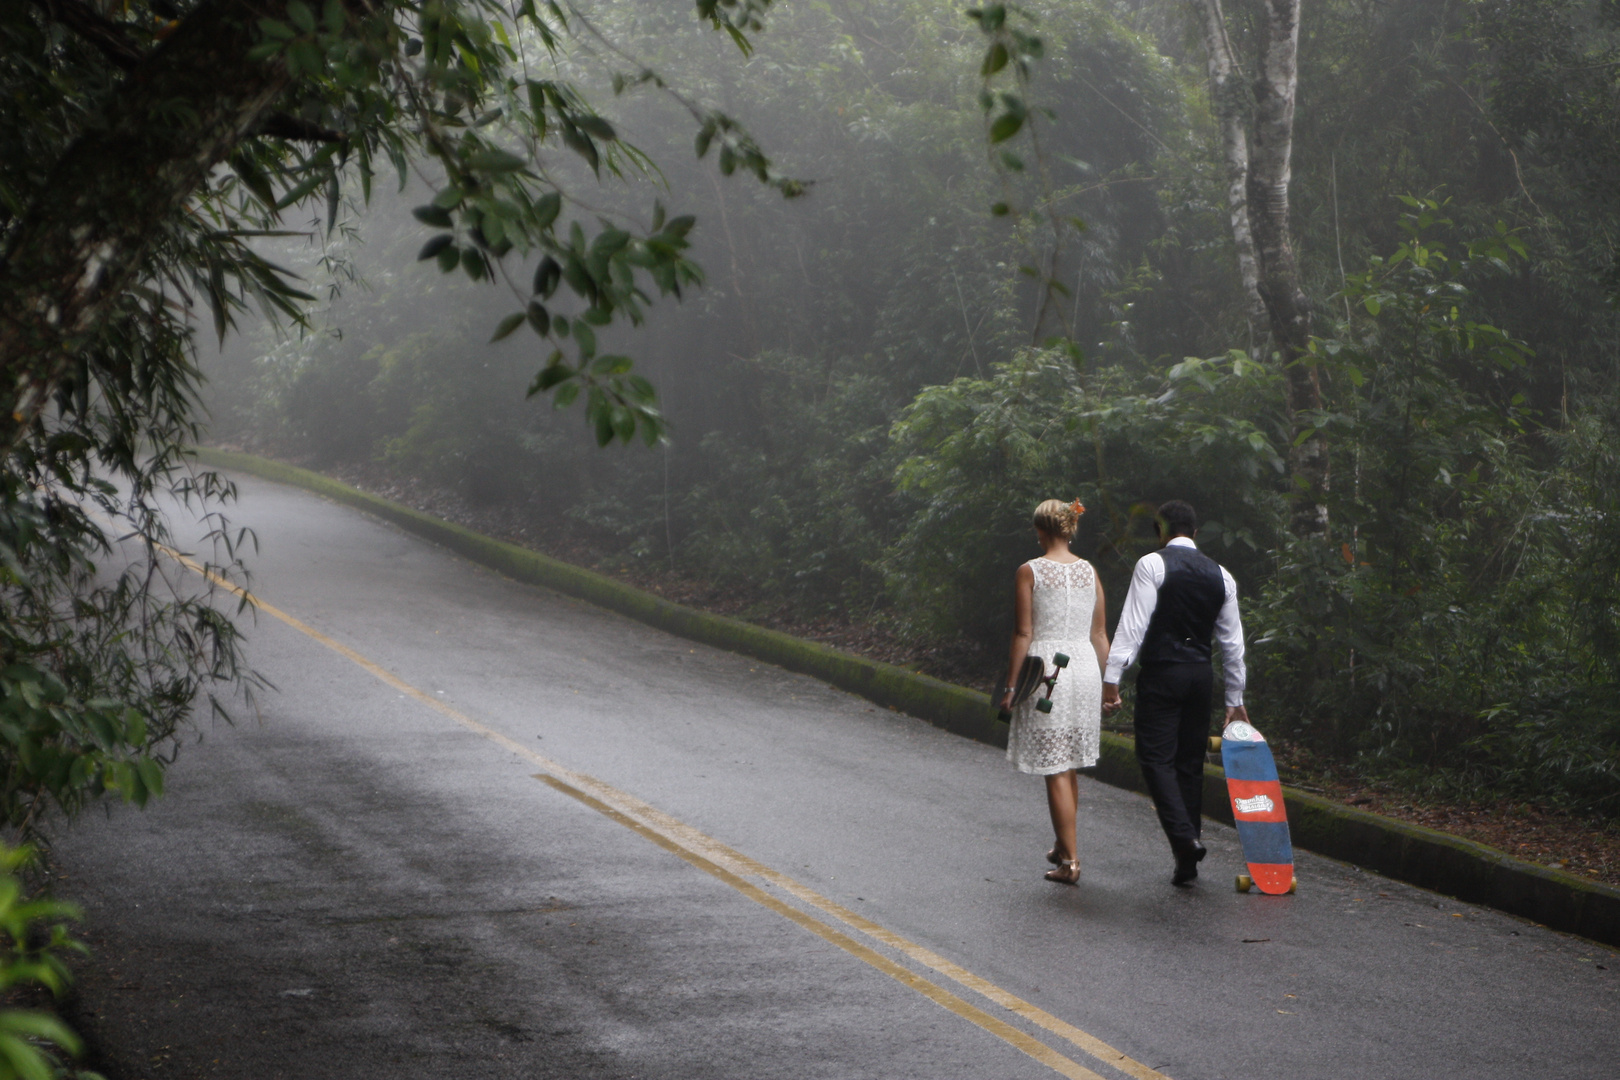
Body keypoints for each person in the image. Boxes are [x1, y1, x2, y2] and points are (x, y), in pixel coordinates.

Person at [1102, 499, 1248, 886]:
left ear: (1160, 532)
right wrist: (1236, 700)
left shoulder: (1152, 564)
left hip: (1163, 672)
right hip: (1201, 675)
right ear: (1196, 532)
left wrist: (1112, 675)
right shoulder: (1222, 575)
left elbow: (1133, 624)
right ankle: (1188, 862)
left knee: (1154, 758)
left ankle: (1184, 837)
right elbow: (1232, 644)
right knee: (1189, 764)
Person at [998, 499, 1110, 885]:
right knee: (1068, 764)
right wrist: (1110, 685)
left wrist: (1012, 686)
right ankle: (1064, 846)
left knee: (1056, 768)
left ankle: (1071, 861)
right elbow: (1099, 633)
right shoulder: (1089, 571)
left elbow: (1024, 633)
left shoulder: (1029, 571)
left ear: (1040, 531)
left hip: (1048, 671)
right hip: (1084, 668)